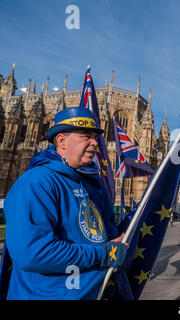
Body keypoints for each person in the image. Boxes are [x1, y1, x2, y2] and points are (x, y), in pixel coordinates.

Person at [4, 107, 128, 300]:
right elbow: (33, 252)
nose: (95, 142)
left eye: (95, 136)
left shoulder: (91, 183)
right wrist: (102, 255)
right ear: (61, 141)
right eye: (86, 136)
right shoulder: (38, 182)